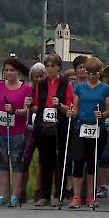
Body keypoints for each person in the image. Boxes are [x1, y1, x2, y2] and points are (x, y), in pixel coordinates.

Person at [66, 57, 109, 209]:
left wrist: (103, 115)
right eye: (89, 72)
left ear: (100, 73)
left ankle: (91, 196)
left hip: (97, 128)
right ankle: (77, 196)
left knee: (92, 163)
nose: (91, 76)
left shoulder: (105, 89)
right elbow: (76, 108)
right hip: (80, 127)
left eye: (95, 73)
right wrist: (71, 112)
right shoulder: (79, 87)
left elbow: (108, 109)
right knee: (78, 162)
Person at [0, 57, 33, 208]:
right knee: (2, 162)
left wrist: (14, 111)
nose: (8, 73)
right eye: (6, 70)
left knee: (16, 162)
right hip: (0, 129)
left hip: (18, 131)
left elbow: (27, 110)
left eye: (12, 70)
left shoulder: (25, 88)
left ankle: (15, 194)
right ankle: (2, 195)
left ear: (18, 72)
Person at [31, 54, 74, 207]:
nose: (49, 69)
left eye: (52, 66)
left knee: (59, 161)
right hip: (43, 126)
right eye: (47, 66)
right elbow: (37, 106)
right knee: (45, 161)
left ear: (58, 67)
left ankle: (59, 193)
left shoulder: (66, 83)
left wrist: (59, 105)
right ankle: (44, 194)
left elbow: (69, 107)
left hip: (60, 126)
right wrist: (29, 105)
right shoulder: (41, 84)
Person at [21, 62, 45, 203]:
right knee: (25, 160)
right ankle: (21, 191)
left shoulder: (47, 90)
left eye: (41, 76)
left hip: (42, 128)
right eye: (36, 76)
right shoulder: (29, 90)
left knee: (42, 161)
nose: (38, 79)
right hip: (29, 129)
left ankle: (39, 190)